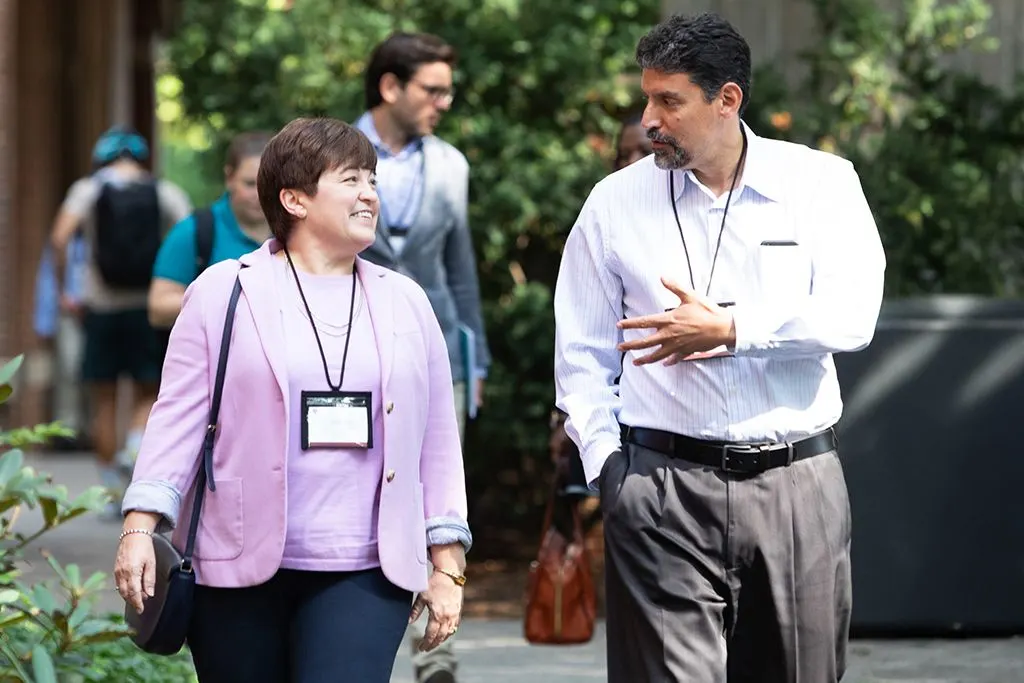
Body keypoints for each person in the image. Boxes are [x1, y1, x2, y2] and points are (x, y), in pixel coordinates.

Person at [553, 12, 886, 683]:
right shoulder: (612, 202)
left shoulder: (821, 184)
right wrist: (610, 468)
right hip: (661, 484)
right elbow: (581, 352)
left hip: (797, 485)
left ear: (727, 99)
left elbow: (852, 317)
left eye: (669, 101)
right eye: (647, 98)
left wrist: (732, 330)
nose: (650, 119)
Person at [114, 117, 471, 683]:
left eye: (373, 181)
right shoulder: (222, 290)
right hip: (236, 560)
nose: (369, 194)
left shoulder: (407, 301)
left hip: (368, 566)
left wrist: (447, 560)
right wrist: (140, 526)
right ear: (294, 199)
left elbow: (436, 440)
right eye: (351, 179)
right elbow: (177, 419)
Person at [355, 31, 490, 683]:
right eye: (433, 90)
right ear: (391, 87)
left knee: (439, 493)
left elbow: (460, 268)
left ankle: (436, 654)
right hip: (354, 355)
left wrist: (476, 359)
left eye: (447, 90)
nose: (445, 102)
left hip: (439, 354)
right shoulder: (335, 154)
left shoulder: (454, 165)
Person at [49, 126, 192, 519]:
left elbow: (60, 237)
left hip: (101, 305)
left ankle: (113, 490)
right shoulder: (163, 191)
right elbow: (189, 232)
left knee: (104, 398)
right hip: (148, 305)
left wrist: (67, 288)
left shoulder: (87, 189)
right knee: (151, 390)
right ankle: (134, 447)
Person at [148, 130, 274, 331]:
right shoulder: (194, 231)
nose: (259, 195)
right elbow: (158, 308)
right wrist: (229, 300)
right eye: (250, 184)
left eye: (269, 184)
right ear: (229, 178)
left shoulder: (297, 232)